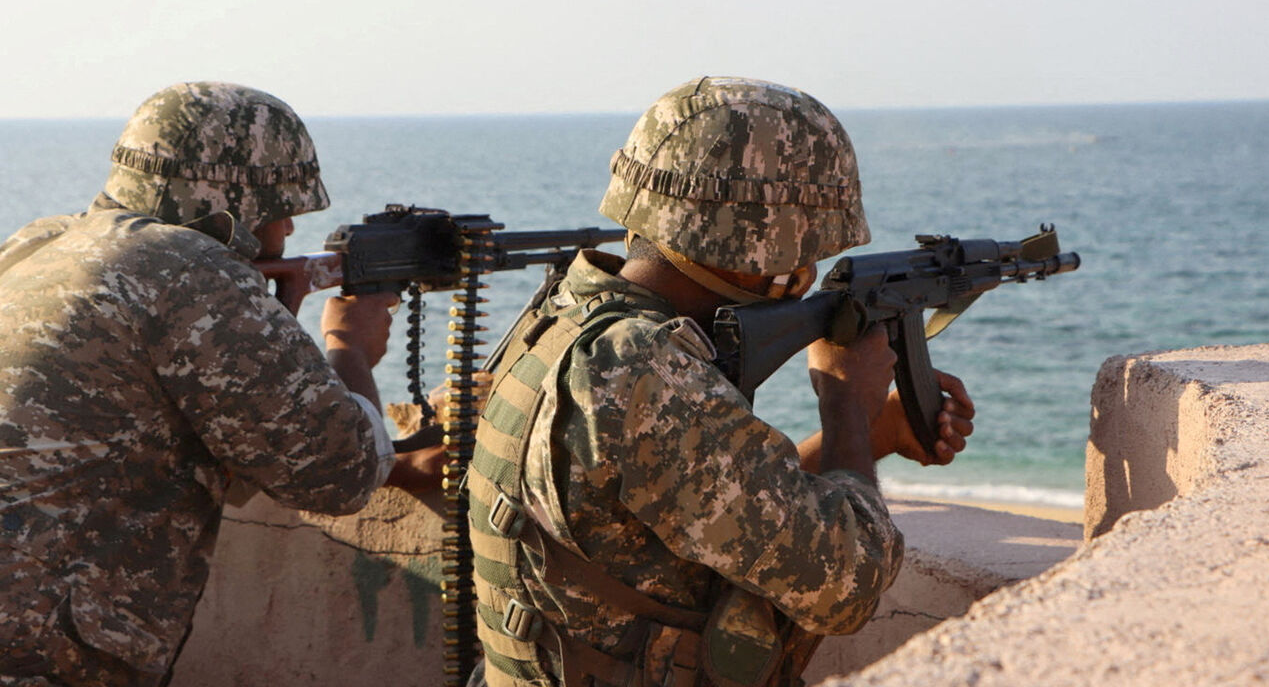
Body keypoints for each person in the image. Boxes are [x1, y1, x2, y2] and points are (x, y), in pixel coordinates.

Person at [465, 77, 975, 687]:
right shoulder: (644, 369)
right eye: (806, 244)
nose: (809, 271)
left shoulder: (566, 317)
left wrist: (880, 430)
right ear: (755, 242)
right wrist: (843, 400)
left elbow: (720, 500)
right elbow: (847, 583)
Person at [0, 82, 442, 686]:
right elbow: (340, 475)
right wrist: (350, 347)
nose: (287, 226)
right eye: (280, 206)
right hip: (40, 650)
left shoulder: (35, 245)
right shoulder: (186, 266)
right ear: (232, 200)